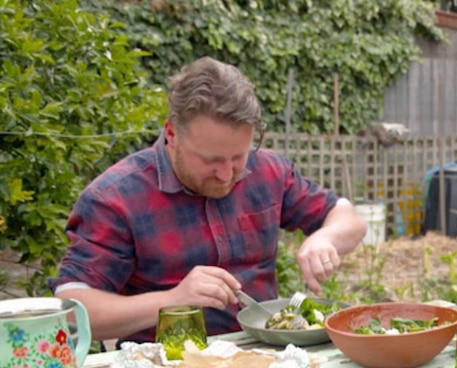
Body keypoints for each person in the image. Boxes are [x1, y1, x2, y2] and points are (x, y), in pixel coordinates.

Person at [49, 56, 367, 346]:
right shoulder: (115, 198)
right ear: (172, 134)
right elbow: (73, 310)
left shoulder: (268, 170)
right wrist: (173, 299)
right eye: (210, 160)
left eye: (238, 156)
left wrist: (326, 238)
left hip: (267, 361)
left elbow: (350, 219)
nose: (227, 174)